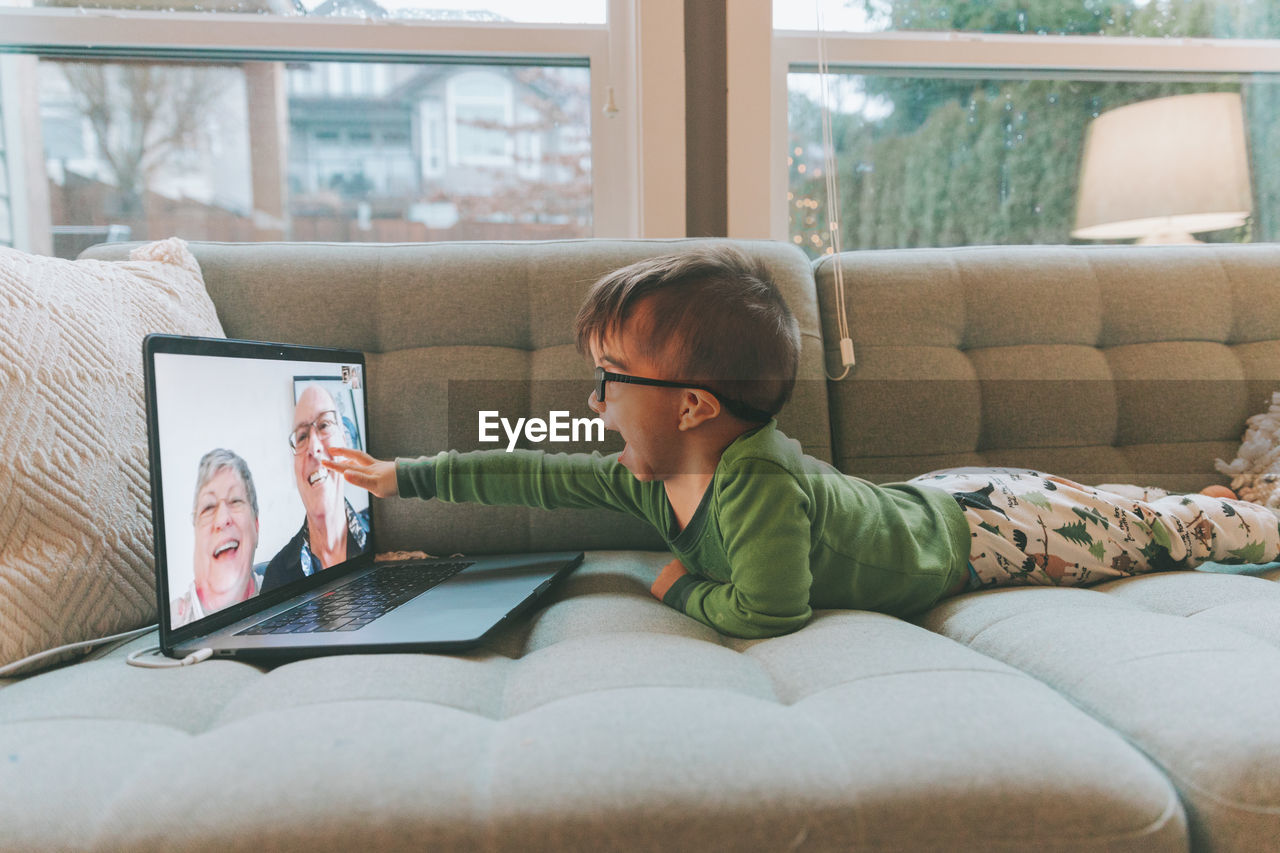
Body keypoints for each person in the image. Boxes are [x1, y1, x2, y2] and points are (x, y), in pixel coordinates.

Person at [320, 247, 1280, 639]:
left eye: (612, 378)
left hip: (987, 533)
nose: (596, 398)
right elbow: (528, 471)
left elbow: (767, 611)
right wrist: (406, 473)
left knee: (1163, 526)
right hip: (938, 495)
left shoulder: (755, 486)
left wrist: (677, 587)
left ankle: (1260, 523)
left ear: (694, 405)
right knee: (1144, 511)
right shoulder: (650, 475)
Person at [261, 384, 370, 592]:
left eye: (324, 425)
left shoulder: (383, 538)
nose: (313, 446)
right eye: (302, 436)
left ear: (345, 443)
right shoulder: (277, 576)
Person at [171, 448, 261, 628]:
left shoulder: (281, 589)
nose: (222, 520)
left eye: (235, 500)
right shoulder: (174, 621)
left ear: (256, 526)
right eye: (209, 507)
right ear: (196, 533)